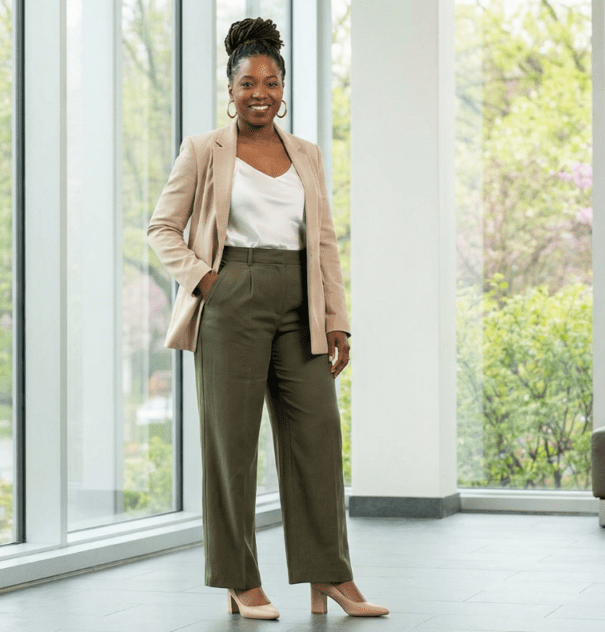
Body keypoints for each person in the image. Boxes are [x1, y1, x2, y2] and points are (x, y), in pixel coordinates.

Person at [146, 17, 389, 621]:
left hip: (300, 298)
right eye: (248, 83)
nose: (260, 93)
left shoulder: (306, 154)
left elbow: (323, 242)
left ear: (283, 89)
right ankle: (238, 578)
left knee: (317, 437)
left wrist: (337, 319)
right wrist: (208, 282)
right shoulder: (203, 150)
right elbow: (162, 228)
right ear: (230, 90)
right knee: (230, 445)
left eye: (271, 82)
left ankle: (330, 573)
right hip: (232, 296)